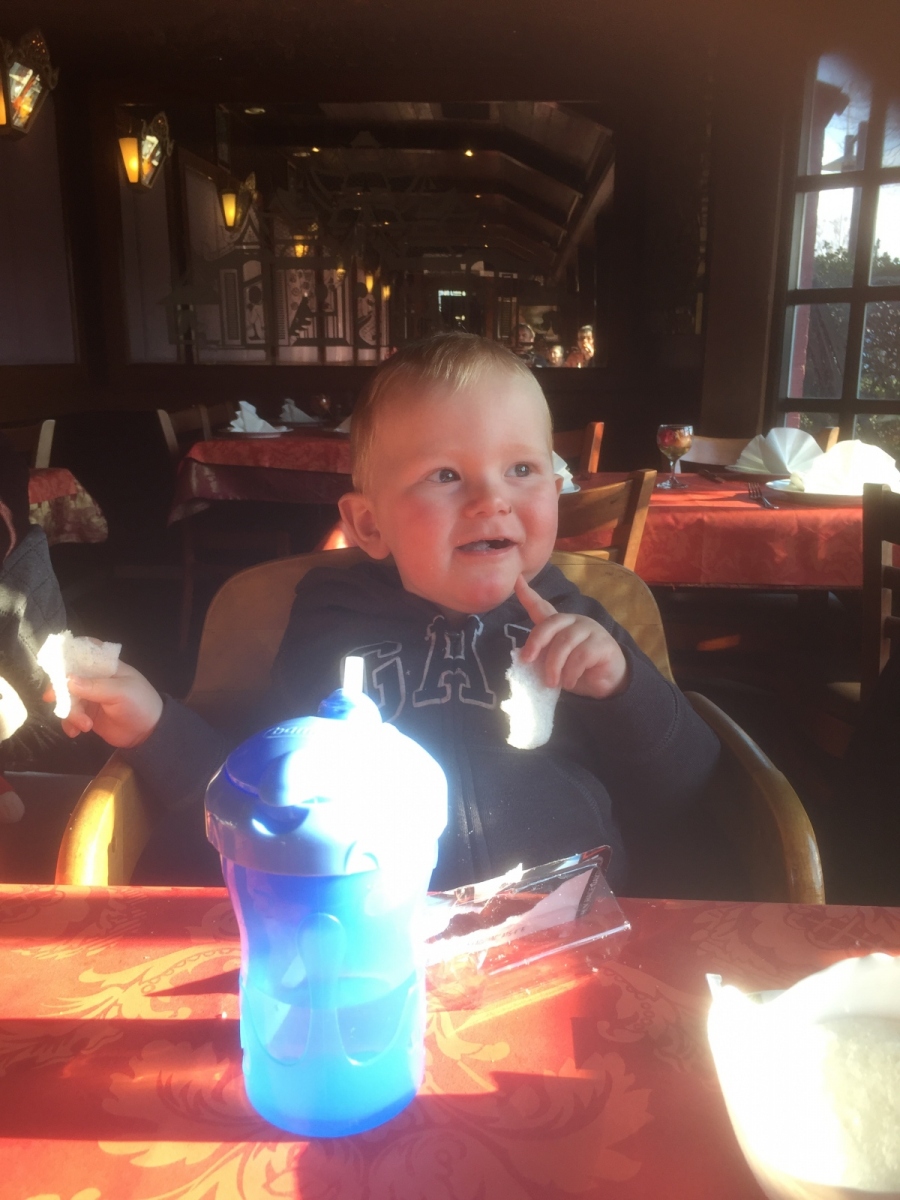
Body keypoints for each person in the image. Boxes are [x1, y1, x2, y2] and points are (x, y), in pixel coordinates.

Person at [55, 333, 719, 888]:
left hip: (569, 936)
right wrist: (153, 724)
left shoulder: (580, 625)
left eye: (522, 468)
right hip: (370, 938)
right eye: (446, 475)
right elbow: (262, 803)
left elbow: (696, 791)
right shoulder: (329, 627)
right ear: (369, 525)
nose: (492, 500)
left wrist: (623, 687)